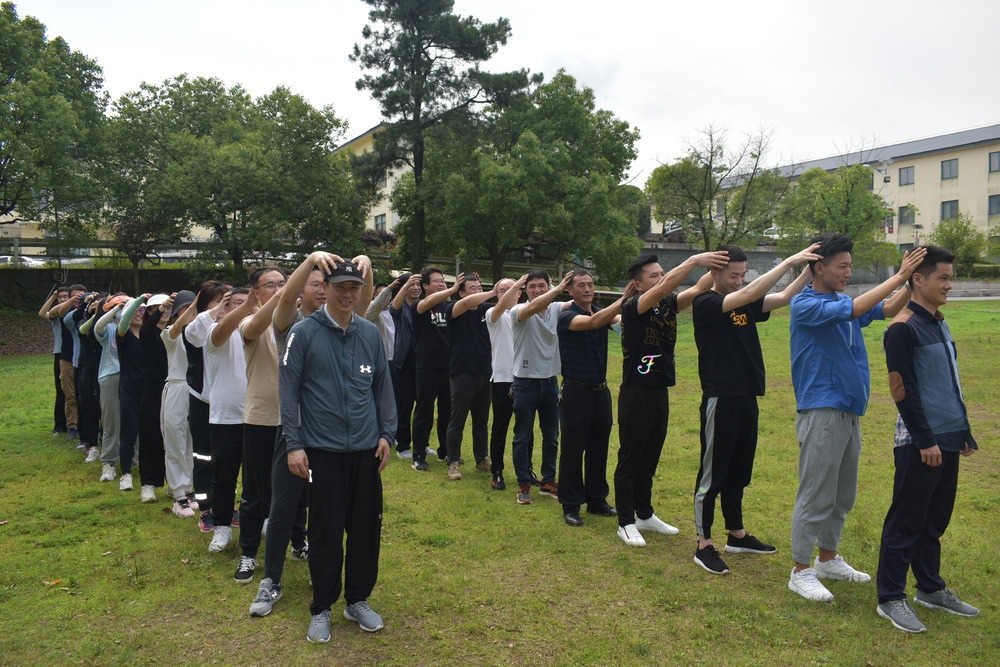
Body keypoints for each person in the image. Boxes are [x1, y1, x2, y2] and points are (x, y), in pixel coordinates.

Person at [787, 233, 925, 602]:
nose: (849, 272)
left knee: (841, 494)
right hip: (822, 409)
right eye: (842, 266)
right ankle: (800, 570)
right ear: (819, 267)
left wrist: (911, 282)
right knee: (816, 492)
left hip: (848, 410)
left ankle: (827, 559)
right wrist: (898, 276)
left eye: (850, 265)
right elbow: (857, 308)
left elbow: (887, 309)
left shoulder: (841, 301)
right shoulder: (806, 304)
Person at [280, 259, 396, 642]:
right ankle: (322, 606)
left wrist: (387, 434)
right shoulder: (304, 332)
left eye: (354, 288)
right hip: (322, 451)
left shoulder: (368, 332)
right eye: (340, 287)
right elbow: (288, 391)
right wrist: (294, 445)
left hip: (364, 451)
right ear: (325, 288)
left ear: (361, 291)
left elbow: (382, 386)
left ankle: (357, 600)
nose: (347, 295)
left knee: (365, 529)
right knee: (326, 533)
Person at [690, 243, 820, 574]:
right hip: (721, 398)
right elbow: (749, 294)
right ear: (714, 273)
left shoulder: (743, 303)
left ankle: (737, 534)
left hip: (747, 396)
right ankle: (704, 544)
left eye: (743, 275)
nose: (739, 281)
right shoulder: (705, 303)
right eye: (733, 275)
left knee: (738, 471)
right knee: (713, 474)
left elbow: (783, 297)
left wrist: (809, 269)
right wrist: (788, 259)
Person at [875, 245, 979, 633]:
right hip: (921, 441)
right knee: (906, 520)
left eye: (951, 278)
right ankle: (890, 597)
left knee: (934, 521)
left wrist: (963, 431)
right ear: (918, 279)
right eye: (944, 278)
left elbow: (948, 382)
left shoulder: (939, 321)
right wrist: (925, 440)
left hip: (949, 437)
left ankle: (930, 589)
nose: (949, 285)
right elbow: (903, 390)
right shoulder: (902, 327)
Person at [614, 251, 729, 547]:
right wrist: (693, 260)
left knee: (650, 456)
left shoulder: (667, 304)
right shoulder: (632, 305)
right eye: (654, 275)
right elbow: (666, 287)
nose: (662, 278)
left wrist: (720, 266)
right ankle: (625, 522)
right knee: (631, 457)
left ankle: (644, 514)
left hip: (658, 389)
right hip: (635, 391)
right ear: (637, 284)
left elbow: (699, 287)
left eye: (662, 272)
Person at [556, 270, 628, 527]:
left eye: (590, 284)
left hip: (601, 391)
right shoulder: (567, 316)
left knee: (599, 448)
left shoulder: (601, 312)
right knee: (573, 449)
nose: (587, 289)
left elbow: (618, 321)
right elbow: (592, 323)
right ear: (570, 290)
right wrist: (624, 298)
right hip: (576, 391)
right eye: (581, 285)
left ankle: (597, 500)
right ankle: (571, 504)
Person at [508, 269, 573, 505]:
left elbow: (581, 303)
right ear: (525, 290)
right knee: (522, 436)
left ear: (549, 285)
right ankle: (523, 483)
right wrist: (558, 290)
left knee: (552, 436)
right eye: (532, 286)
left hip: (550, 381)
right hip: (525, 382)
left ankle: (548, 482)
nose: (537, 290)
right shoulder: (518, 311)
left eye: (542, 286)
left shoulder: (556, 308)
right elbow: (532, 308)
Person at [202, 287, 253, 552]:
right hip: (226, 419)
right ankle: (222, 526)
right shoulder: (216, 334)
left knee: (260, 477)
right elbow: (223, 329)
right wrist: (248, 307)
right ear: (226, 308)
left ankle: (261, 520)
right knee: (224, 476)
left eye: (250, 303)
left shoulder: (265, 332)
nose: (246, 307)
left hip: (260, 416)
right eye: (238, 303)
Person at [408, 268, 455, 472]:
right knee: (424, 411)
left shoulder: (448, 306)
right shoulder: (420, 305)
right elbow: (427, 303)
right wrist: (453, 288)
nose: (441, 283)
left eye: (443, 280)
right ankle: (418, 454)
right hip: (427, 366)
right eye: (436, 281)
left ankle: (445, 450)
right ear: (424, 286)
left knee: (447, 411)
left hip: (449, 366)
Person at [161, 290, 198, 517]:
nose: (191, 313)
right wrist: (194, 305)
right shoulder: (170, 333)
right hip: (176, 388)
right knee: (175, 440)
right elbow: (176, 329)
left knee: (192, 444)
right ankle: (178, 495)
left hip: (197, 391)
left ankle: (189, 490)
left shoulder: (204, 333)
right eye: (185, 310)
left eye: (193, 309)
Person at [485, 277, 519, 491]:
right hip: (502, 379)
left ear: (519, 294)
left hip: (526, 378)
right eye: (501, 290)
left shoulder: (526, 312)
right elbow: (499, 306)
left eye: (510, 289)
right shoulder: (493, 314)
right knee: (500, 427)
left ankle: (526, 470)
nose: (505, 293)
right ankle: (497, 470)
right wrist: (514, 286)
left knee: (525, 430)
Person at [388, 273, 424, 459]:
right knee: (405, 405)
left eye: (418, 285)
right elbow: (393, 308)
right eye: (411, 285)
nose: (416, 288)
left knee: (424, 406)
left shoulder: (425, 305)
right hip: (403, 362)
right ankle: (403, 445)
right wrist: (402, 287)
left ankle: (422, 443)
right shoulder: (398, 306)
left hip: (423, 361)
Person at [39, 286, 70, 436]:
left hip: (74, 354)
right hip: (60, 353)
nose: (63, 299)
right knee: (61, 390)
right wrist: (52, 297)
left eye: (66, 296)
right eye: (61, 297)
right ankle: (60, 425)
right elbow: (42, 313)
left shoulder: (73, 312)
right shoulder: (56, 315)